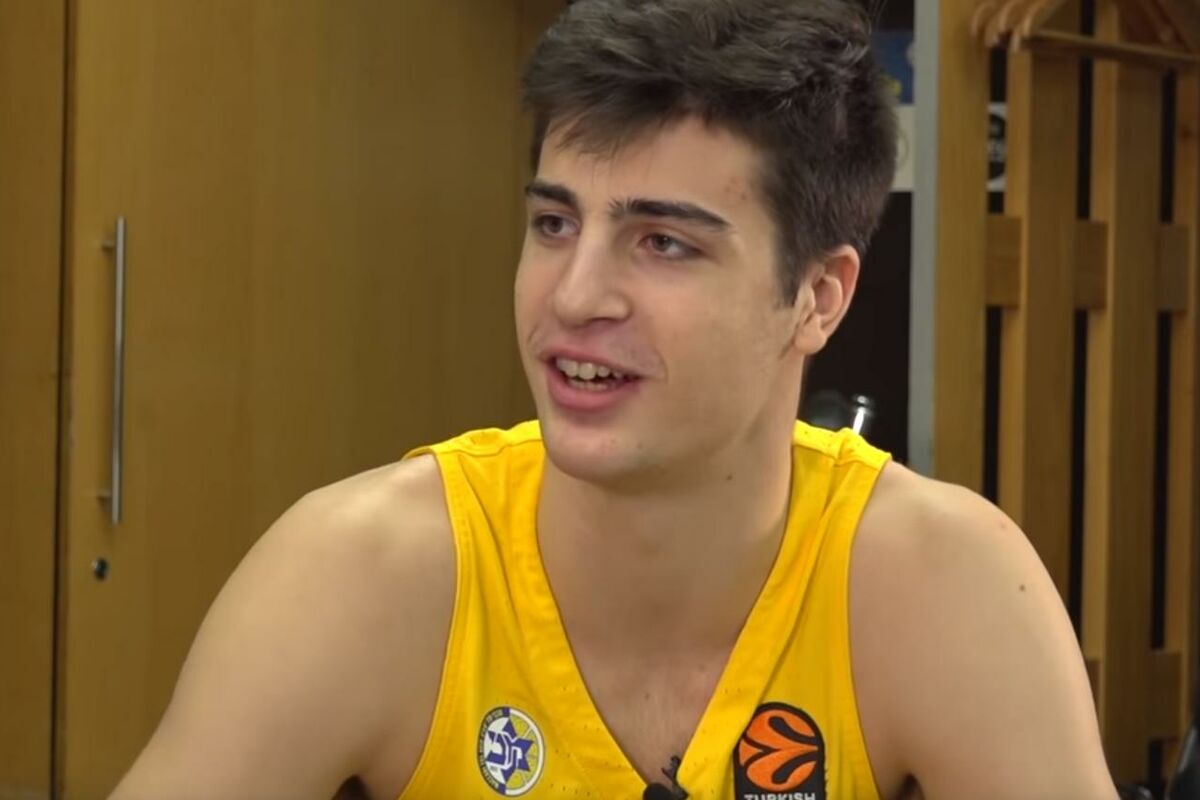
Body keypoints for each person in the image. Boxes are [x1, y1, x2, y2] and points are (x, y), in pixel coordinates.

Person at [112, 1, 1118, 798]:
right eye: (555, 225)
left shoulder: (943, 589)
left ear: (818, 296)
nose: (575, 295)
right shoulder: (362, 574)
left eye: (663, 243)